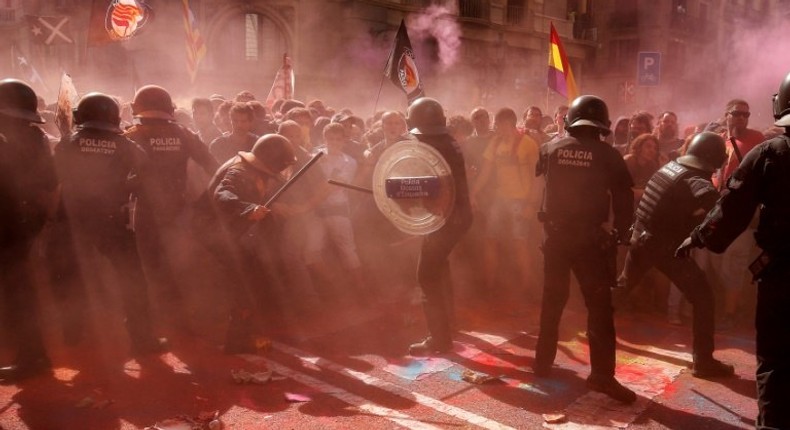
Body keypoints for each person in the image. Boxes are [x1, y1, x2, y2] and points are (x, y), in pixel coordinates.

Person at [676, 72, 790, 430]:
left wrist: (698, 237)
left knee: (776, 359)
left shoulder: (771, 152)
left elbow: (733, 208)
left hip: (783, 275)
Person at [534, 95, 636, 403]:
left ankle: (542, 362)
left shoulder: (549, 148)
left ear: (569, 121)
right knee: (600, 310)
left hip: (555, 239)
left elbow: (541, 186)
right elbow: (623, 199)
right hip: (590, 243)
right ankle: (602, 377)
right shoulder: (609, 155)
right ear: (603, 125)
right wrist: (619, 234)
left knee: (553, 300)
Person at [53, 92, 168, 355]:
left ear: (81, 115)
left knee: (71, 276)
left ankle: (72, 332)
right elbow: (148, 176)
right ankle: (142, 339)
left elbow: (52, 177)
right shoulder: (125, 144)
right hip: (111, 220)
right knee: (132, 279)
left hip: (72, 218)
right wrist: (123, 185)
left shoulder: (67, 142)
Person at [617, 132, 734, 377]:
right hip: (664, 247)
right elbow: (714, 206)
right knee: (703, 298)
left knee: (621, 289)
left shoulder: (671, 166)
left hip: (641, 238)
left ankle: (594, 324)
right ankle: (703, 362)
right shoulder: (695, 178)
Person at [124, 85, 219, 305]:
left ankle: (162, 310)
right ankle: (183, 311)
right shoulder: (184, 134)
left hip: (145, 210)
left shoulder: (131, 135)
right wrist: (204, 202)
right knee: (179, 261)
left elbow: (109, 176)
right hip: (180, 208)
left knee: (150, 263)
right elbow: (215, 167)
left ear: (137, 107)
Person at [207, 134, 296, 353]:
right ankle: (236, 340)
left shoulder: (253, 168)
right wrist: (248, 209)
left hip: (231, 232)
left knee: (251, 281)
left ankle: (243, 334)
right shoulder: (239, 171)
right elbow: (222, 195)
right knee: (244, 284)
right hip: (215, 234)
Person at [0, 79, 59, 383]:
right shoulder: (35, 137)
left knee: (19, 296)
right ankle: (32, 356)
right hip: (21, 226)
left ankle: (32, 358)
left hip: (13, 229)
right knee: (19, 295)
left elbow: (46, 185)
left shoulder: (20, 141)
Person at [407, 97, 473, 356]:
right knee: (438, 271)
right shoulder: (448, 141)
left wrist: (398, 189)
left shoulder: (433, 145)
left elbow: (433, 186)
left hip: (445, 219)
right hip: (456, 217)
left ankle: (440, 338)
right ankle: (446, 328)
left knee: (426, 275)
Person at [470, 108, 541, 296]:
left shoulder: (528, 144)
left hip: (521, 200)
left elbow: (537, 178)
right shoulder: (495, 143)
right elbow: (485, 172)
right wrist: (473, 193)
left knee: (520, 242)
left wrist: (531, 205)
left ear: (508, 123)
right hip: (501, 199)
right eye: (496, 124)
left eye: (499, 124)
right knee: (490, 239)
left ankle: (527, 287)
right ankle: (489, 285)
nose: (496, 127)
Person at [713, 99, 765, 331]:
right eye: (737, 114)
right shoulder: (718, 139)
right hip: (717, 209)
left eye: (746, 114)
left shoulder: (757, 139)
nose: (742, 118)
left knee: (735, 263)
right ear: (726, 115)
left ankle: (731, 312)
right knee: (715, 262)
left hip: (742, 212)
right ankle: (730, 304)